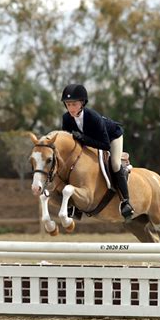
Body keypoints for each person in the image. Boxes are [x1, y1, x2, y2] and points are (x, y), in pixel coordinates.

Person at [61, 83, 135, 220]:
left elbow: (105, 145)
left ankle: (126, 202)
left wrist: (83, 138)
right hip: (91, 141)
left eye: (74, 104)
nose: (71, 108)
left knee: (115, 164)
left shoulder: (93, 117)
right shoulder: (66, 119)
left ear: (82, 103)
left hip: (112, 137)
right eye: (68, 104)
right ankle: (73, 205)